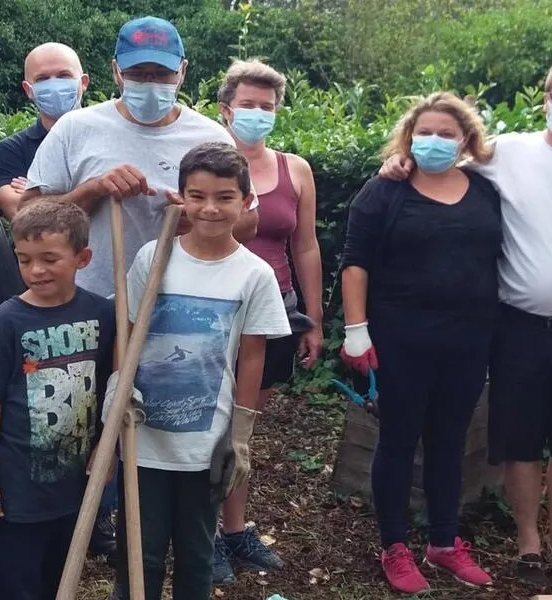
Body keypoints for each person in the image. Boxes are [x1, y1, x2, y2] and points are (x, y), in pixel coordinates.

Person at [379, 57, 552, 591]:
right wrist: (397, 165)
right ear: (544, 97)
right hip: (516, 327)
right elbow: (439, 171)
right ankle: (529, 543)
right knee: (519, 441)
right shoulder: (507, 153)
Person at [104, 141, 291, 600]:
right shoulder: (154, 257)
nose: (209, 208)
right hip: (143, 439)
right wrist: (117, 392)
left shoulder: (253, 274)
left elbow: (252, 356)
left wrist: (241, 431)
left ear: (246, 201)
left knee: (196, 557)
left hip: (204, 445)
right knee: (139, 556)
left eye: (225, 197)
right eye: (197, 195)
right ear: (182, 197)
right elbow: (126, 334)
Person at [339, 91, 502, 593]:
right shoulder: (383, 191)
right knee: (398, 439)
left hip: (469, 341)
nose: (434, 141)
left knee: (450, 441)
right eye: (424, 133)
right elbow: (355, 262)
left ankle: (444, 542)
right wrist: (355, 331)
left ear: (466, 140)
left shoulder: (485, 191)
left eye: (446, 134)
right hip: (401, 338)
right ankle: (394, 545)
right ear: (409, 138)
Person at [20, 15, 258, 302]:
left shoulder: (211, 137)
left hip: (180, 300)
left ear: (182, 70)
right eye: (138, 72)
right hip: (90, 306)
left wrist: (200, 221)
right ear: (116, 71)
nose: (150, 82)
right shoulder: (74, 128)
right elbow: (27, 215)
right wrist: (93, 189)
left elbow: (250, 223)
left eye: (161, 73)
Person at [0, 199, 115, 599]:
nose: (36, 271)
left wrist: (106, 446)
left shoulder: (103, 315)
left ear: (83, 257)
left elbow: (114, 389)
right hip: (18, 494)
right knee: (12, 585)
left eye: (49, 258)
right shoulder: (7, 322)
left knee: (56, 581)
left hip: (76, 489)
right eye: (25, 260)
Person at [210, 58, 324, 583]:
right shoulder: (205, 164)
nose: (257, 113)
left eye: (267, 106)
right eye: (248, 105)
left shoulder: (293, 169)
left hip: (272, 308)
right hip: (210, 308)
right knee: (200, 423)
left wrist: (314, 320)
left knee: (241, 427)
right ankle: (201, 533)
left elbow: (305, 245)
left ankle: (235, 529)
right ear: (225, 109)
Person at [0, 43, 90, 220]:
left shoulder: (107, 134)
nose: (54, 85)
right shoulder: (11, 150)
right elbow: (26, 219)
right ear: (28, 90)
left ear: (83, 83)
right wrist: (93, 190)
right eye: (43, 79)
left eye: (63, 75)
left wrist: (39, 197)